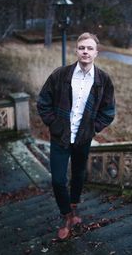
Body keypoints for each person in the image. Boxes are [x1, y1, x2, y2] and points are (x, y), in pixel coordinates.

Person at [37, 32, 115, 240]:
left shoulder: (103, 80)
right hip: (61, 137)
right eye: (82, 48)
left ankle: (73, 208)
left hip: (83, 138)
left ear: (96, 53)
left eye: (90, 48)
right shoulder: (61, 75)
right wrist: (54, 124)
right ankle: (66, 215)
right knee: (58, 180)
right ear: (77, 50)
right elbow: (43, 101)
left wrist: (92, 128)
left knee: (79, 175)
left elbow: (108, 111)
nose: (85, 52)